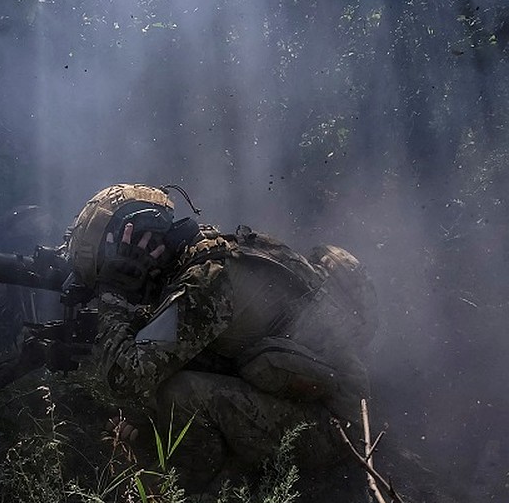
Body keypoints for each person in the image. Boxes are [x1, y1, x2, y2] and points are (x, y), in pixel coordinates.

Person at [62, 184, 376, 484]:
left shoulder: (205, 281)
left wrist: (113, 296)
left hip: (338, 427)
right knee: (169, 382)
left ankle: (207, 499)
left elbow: (128, 378)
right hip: (321, 400)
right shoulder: (205, 254)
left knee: (180, 393)